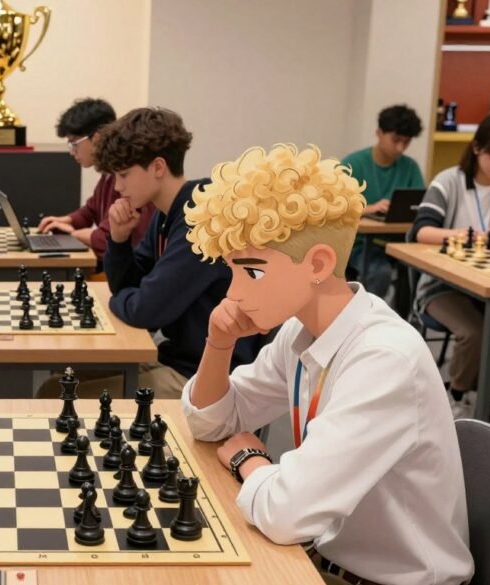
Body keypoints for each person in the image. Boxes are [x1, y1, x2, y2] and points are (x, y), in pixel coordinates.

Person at [182, 143, 473, 585]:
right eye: (232, 271)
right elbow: (212, 422)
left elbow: (285, 511)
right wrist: (218, 344)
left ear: (318, 263)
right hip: (327, 560)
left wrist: (249, 458)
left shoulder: (384, 360)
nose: (233, 294)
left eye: (252, 272)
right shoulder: (302, 332)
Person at [98, 107, 260, 397]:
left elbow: (144, 311)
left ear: (158, 167)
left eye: (123, 174)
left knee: (53, 394)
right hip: (175, 359)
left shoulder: (203, 219)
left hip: (207, 380)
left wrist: (118, 301)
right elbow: (130, 289)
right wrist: (119, 240)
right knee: (59, 384)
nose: (119, 187)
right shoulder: (166, 213)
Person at [413, 112, 490, 425]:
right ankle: (456, 396)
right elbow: (421, 232)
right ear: (476, 149)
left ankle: (477, 396)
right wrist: (472, 237)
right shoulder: (449, 181)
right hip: (441, 286)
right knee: (474, 332)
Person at [38, 98, 156, 260]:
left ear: (98, 137)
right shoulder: (107, 175)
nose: (72, 152)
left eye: (74, 143)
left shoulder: (126, 178)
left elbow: (107, 239)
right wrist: (67, 220)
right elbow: (91, 210)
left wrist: (72, 234)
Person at [342, 104, 426, 298]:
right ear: (379, 133)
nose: (400, 148)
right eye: (396, 140)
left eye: (406, 142)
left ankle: (406, 321)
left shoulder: (410, 167)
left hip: (399, 241)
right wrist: (370, 208)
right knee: (380, 273)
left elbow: (419, 203)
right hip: (360, 244)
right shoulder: (353, 163)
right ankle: (368, 318)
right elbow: (335, 207)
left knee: (417, 269)